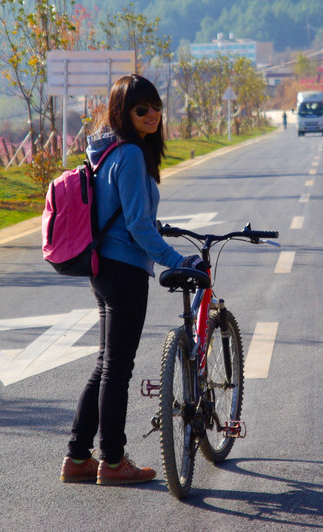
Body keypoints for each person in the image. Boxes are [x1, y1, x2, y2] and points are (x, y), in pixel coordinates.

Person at [61, 74, 204, 486]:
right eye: (142, 109)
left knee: (105, 365)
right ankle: (112, 460)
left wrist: (156, 231)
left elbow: (125, 213)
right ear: (123, 112)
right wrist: (177, 261)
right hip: (124, 271)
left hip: (102, 268)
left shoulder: (106, 151)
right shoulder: (131, 156)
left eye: (156, 106)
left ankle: (77, 458)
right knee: (117, 370)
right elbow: (138, 227)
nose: (153, 114)